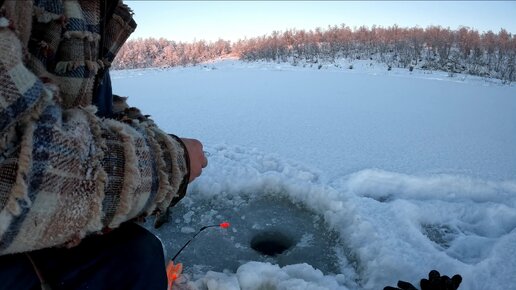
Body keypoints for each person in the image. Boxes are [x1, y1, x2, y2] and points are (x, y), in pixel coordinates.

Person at [0, 0, 207, 289]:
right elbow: (10, 168)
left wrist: (143, 134)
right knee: (130, 259)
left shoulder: (91, 10)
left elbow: (84, 105)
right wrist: (169, 163)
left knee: (136, 254)